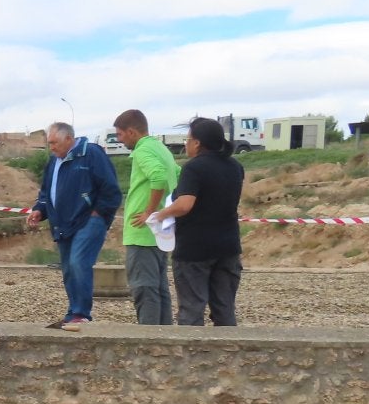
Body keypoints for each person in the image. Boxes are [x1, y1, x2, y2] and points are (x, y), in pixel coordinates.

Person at [147, 117, 245, 326]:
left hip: (194, 248)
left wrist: (161, 214)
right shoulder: (235, 166)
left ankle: (192, 348)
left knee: (192, 310)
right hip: (228, 246)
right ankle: (229, 345)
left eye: (188, 139)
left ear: (197, 143)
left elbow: (185, 205)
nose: (186, 144)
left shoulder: (194, 168)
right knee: (225, 310)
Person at [25, 122, 122, 330]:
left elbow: (111, 189)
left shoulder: (92, 154)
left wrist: (98, 213)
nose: (51, 147)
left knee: (79, 261)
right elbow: (46, 192)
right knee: (69, 268)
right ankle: (73, 312)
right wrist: (39, 210)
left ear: (69, 139)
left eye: (54, 142)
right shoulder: (53, 161)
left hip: (89, 219)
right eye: (49, 143)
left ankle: (81, 313)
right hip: (63, 223)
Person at [114, 109, 179, 324]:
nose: (119, 140)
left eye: (120, 134)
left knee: (144, 287)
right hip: (159, 231)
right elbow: (177, 174)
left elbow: (158, 177)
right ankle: (164, 335)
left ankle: (148, 337)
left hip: (142, 232)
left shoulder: (142, 150)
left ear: (131, 132)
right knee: (159, 288)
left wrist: (149, 211)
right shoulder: (161, 148)